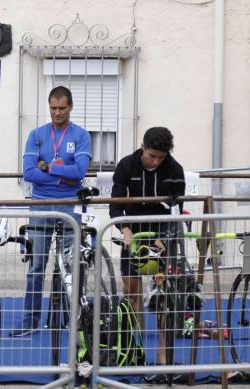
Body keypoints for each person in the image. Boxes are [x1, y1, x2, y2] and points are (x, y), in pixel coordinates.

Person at [12, 86, 92, 337]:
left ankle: (74, 319)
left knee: (72, 266)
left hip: (70, 206)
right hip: (41, 205)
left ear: (70, 107)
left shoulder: (81, 136)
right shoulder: (37, 135)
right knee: (36, 266)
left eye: (62, 108)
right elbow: (29, 173)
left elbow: (79, 172)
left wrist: (48, 167)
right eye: (53, 108)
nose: (57, 113)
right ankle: (30, 321)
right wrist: (62, 173)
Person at [109, 126, 184, 367]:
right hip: (134, 231)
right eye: (152, 156)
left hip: (161, 233)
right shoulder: (125, 165)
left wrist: (166, 236)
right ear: (143, 147)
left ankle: (163, 354)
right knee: (132, 292)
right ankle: (134, 346)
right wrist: (124, 229)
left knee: (164, 296)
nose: (156, 161)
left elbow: (176, 209)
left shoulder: (174, 169)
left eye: (161, 157)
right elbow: (115, 204)